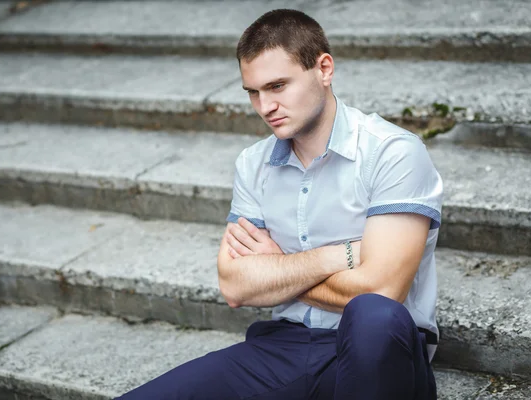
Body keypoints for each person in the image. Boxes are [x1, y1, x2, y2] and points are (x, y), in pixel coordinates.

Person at [118, 8, 442, 400]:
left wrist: (278, 267)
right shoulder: (253, 163)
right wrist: (340, 255)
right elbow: (235, 284)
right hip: (283, 347)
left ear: (324, 69)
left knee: (371, 313)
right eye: (253, 92)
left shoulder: (392, 152)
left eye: (277, 86)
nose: (264, 106)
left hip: (378, 355)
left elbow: (381, 288)